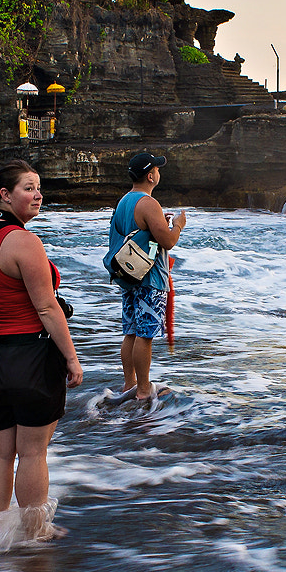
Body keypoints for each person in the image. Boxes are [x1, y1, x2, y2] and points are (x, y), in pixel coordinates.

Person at [0, 160, 82, 539]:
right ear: (5, 195)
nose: (37, 195)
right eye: (28, 188)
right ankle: (34, 534)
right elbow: (47, 307)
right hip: (31, 353)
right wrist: (71, 357)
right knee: (33, 451)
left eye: (38, 187)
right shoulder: (25, 241)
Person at [103, 150, 186, 403]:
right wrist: (178, 225)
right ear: (151, 176)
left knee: (130, 331)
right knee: (145, 335)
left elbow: (136, 231)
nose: (159, 173)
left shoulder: (124, 201)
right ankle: (142, 389)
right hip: (150, 278)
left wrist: (161, 221)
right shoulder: (149, 203)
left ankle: (130, 383)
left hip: (129, 277)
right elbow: (168, 241)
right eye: (157, 170)